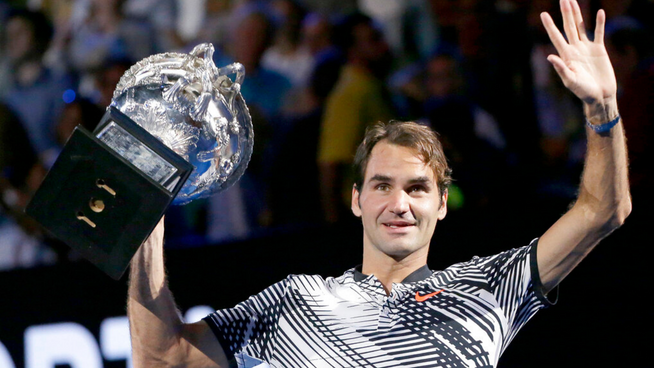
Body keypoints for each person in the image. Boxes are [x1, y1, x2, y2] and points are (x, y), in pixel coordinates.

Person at [127, 1, 631, 367]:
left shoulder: (491, 289)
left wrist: (602, 109)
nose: (399, 203)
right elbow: (162, 357)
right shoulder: (294, 301)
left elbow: (603, 210)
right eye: (382, 185)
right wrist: (145, 209)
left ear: (442, 204)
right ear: (356, 200)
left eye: (417, 188)